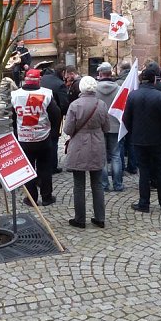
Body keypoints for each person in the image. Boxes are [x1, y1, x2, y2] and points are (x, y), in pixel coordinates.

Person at [123, 68, 161, 213]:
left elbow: (126, 119)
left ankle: (144, 203)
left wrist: (134, 133)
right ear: (154, 80)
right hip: (157, 139)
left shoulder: (133, 96)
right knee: (160, 170)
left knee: (144, 171)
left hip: (139, 139)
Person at [10, 68, 61, 206]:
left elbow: (12, 117)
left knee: (28, 169)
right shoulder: (47, 94)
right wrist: (53, 133)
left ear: (25, 79)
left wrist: (17, 130)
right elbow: (56, 115)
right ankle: (46, 197)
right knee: (45, 168)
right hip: (43, 138)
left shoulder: (14, 95)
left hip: (24, 138)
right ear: (39, 80)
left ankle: (31, 198)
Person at [64, 76, 109, 228]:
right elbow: (107, 127)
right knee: (97, 184)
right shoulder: (101, 104)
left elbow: (68, 129)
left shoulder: (75, 105)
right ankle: (100, 218)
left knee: (79, 185)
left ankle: (80, 219)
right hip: (96, 144)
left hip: (79, 146)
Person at [94, 62, 123, 193]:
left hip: (100, 126)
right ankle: (118, 184)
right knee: (116, 155)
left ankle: (104, 184)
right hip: (115, 125)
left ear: (100, 74)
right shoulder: (119, 88)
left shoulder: (94, 89)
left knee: (102, 156)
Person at [40, 64, 69, 173]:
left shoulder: (44, 79)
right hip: (54, 116)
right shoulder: (60, 84)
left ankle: (43, 163)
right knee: (54, 140)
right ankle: (52, 166)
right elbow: (64, 104)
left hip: (40, 113)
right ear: (62, 72)